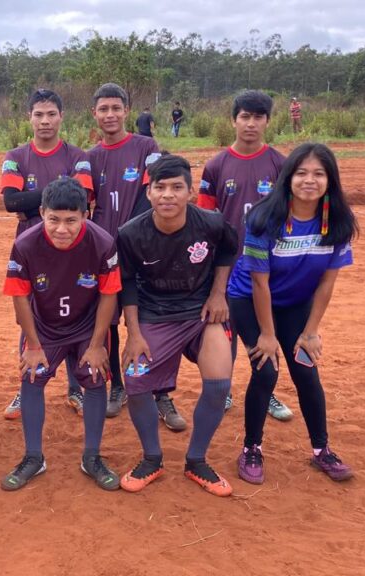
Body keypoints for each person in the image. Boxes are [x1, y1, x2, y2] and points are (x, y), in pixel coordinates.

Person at [228, 143, 358, 485]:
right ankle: (251, 448)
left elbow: (327, 284)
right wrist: (267, 336)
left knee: (305, 368)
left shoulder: (338, 224)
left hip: (295, 302)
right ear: (288, 178)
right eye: (301, 173)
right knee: (266, 369)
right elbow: (259, 284)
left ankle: (322, 451)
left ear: (330, 180)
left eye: (319, 174)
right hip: (249, 299)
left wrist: (310, 331)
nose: (309, 181)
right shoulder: (263, 220)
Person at [116, 154, 238, 497]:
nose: (168, 195)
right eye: (160, 187)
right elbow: (126, 283)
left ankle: (196, 460)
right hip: (155, 314)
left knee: (218, 384)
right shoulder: (130, 233)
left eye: (176, 187)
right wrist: (134, 333)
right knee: (135, 380)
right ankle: (152, 458)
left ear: (190, 192)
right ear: (149, 193)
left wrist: (218, 294)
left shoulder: (211, 223)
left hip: (201, 314)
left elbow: (228, 251)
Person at [1, 178, 121, 491]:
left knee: (95, 378)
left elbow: (109, 295)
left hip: (87, 325)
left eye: (71, 220)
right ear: (41, 213)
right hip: (44, 326)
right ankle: (33, 457)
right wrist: (33, 345)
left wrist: (97, 345)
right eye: (54, 219)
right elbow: (19, 296)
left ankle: (91, 457)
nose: (62, 229)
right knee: (31, 377)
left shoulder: (102, 242)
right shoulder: (25, 244)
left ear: (86, 214)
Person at [88, 82, 186, 430]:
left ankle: (161, 393)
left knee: (151, 319)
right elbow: (85, 205)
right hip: (106, 253)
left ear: (126, 111)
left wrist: (134, 235)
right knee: (110, 318)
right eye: (104, 109)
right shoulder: (89, 157)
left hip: (143, 248)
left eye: (116, 108)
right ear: (95, 114)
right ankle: (118, 386)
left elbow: (153, 193)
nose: (110, 115)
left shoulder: (147, 146)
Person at [196, 90, 295, 422]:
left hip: (268, 270)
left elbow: (290, 218)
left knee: (266, 332)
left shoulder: (281, 165)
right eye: (245, 117)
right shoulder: (216, 165)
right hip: (227, 268)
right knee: (225, 334)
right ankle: (221, 391)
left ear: (268, 121)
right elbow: (205, 221)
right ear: (234, 120)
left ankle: (265, 392)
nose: (251, 124)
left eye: (258, 117)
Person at [0, 89, 94, 420]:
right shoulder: (16, 155)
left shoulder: (78, 154)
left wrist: (37, 197)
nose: (45, 120)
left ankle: (74, 389)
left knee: (74, 313)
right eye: (38, 114)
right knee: (29, 314)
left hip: (73, 249)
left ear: (61, 116)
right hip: (31, 250)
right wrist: (60, 189)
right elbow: (11, 202)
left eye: (51, 114)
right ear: (30, 117)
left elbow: (80, 196)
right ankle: (26, 385)